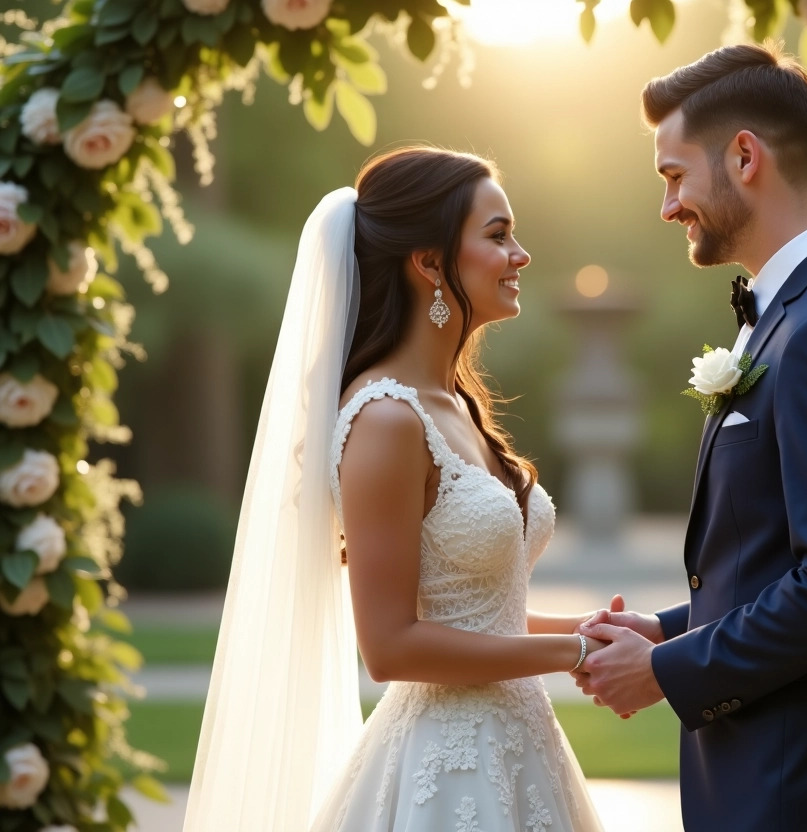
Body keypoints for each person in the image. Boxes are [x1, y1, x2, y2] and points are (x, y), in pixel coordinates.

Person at [183, 147, 606, 832]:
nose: (521, 255)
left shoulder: (455, 404)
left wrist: (587, 631)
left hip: (525, 750)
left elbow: (473, 616)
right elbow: (391, 647)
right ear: (430, 262)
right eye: (498, 235)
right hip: (444, 771)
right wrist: (573, 654)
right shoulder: (385, 419)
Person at [576, 43, 807, 831]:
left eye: (674, 176)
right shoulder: (796, 318)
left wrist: (667, 671)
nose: (667, 207)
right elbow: (776, 559)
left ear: (744, 157)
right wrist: (671, 628)